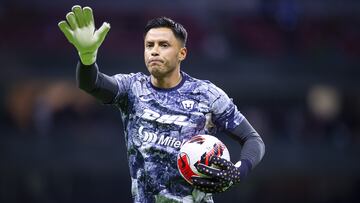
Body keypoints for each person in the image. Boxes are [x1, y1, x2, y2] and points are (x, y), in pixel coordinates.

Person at [58, 5, 265, 203]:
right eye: (149, 45)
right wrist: (87, 58)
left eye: (163, 45)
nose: (154, 51)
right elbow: (92, 84)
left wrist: (238, 171)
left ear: (181, 53)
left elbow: (253, 139)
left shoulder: (207, 94)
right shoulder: (132, 88)